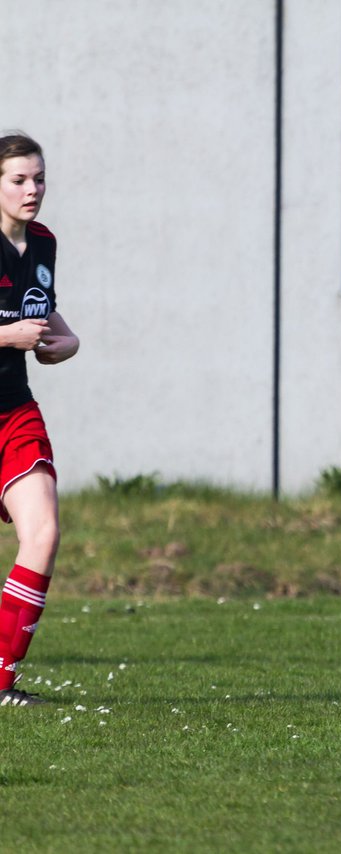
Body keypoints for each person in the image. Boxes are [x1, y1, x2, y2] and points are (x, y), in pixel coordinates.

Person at [0, 133, 80, 707]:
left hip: (15, 412)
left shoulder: (45, 243)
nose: (34, 190)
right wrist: (6, 336)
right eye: (19, 180)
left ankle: (1, 681)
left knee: (44, 533)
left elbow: (44, 313)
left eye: (40, 178)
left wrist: (66, 340)